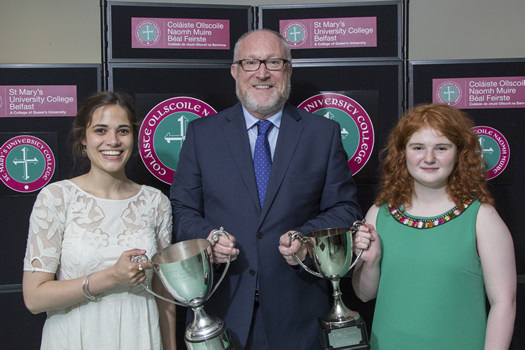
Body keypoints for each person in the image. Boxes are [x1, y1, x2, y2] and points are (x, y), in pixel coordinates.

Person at [170, 29, 362, 349]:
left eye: (274, 62)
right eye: (250, 63)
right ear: (235, 71)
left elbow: (344, 209)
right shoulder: (202, 135)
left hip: (299, 316)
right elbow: (181, 209)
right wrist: (209, 239)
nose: (262, 72)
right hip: (223, 310)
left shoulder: (322, 134)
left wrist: (306, 239)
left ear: (288, 70)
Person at [352, 103, 516, 349]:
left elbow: (504, 302)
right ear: (402, 152)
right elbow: (364, 294)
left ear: (459, 153)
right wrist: (371, 263)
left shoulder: (481, 217)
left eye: (441, 148)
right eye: (418, 147)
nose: (429, 158)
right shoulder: (378, 213)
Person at [22, 91, 177, 350]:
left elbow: (164, 294)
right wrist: (110, 278)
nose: (113, 141)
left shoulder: (156, 202)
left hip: (140, 337)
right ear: (84, 139)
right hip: (75, 337)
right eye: (101, 130)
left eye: (123, 131)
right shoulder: (56, 198)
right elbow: (34, 298)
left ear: (134, 138)